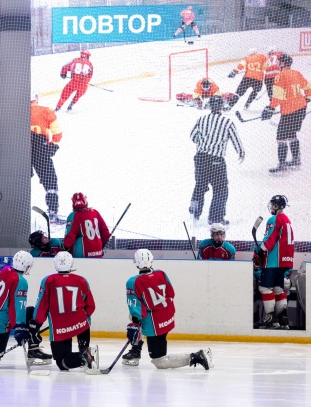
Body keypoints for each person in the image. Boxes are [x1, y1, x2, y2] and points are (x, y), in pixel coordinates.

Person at [122, 249, 212, 370]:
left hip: (154, 323)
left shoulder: (133, 281)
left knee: (159, 361)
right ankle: (136, 351)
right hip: (168, 315)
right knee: (155, 338)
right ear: (151, 260)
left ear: (136, 262)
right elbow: (171, 294)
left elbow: (135, 308)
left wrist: (135, 325)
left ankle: (197, 356)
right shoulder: (161, 273)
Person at [30, 252, 99, 374]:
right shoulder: (81, 280)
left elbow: (42, 304)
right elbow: (91, 306)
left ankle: (83, 357)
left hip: (59, 327)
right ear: (71, 263)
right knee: (84, 326)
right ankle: (85, 354)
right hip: (81, 324)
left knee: (62, 363)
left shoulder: (48, 280)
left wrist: (37, 322)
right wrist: (84, 317)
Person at [188, 96, 245, 225]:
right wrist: (241, 152)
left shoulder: (201, 120)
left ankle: (194, 211)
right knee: (220, 189)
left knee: (200, 186)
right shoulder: (227, 122)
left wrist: (203, 142)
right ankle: (215, 217)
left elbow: (193, 136)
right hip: (216, 161)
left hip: (200, 159)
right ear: (221, 107)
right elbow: (235, 139)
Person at [262, 53, 311, 173]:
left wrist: (270, 108)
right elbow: (309, 87)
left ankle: (282, 165)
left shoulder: (279, 76)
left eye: (279, 62)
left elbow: (278, 97)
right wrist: (307, 98)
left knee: (281, 137)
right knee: (291, 134)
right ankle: (296, 160)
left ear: (283, 63)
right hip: (301, 109)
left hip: (289, 111)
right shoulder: (296, 73)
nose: (277, 64)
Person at [254, 195, 295, 330]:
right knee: (278, 289)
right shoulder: (287, 220)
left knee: (265, 288)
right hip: (284, 262)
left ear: (277, 206)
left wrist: (261, 250)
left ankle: (270, 318)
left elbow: (271, 237)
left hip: (273, 261)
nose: (271, 207)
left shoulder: (274, 219)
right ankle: (282, 319)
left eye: (272, 204)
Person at [31, 91, 63, 222]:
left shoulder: (18, 112)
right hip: (41, 148)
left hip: (21, 149)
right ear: (36, 98)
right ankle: (53, 213)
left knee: (19, 181)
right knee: (50, 181)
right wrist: (53, 146)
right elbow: (57, 134)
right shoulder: (47, 111)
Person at [63, 192, 111, 258]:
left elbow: (70, 237)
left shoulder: (74, 216)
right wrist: (99, 248)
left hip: (82, 256)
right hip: (98, 254)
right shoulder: (95, 212)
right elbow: (106, 234)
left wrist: (63, 248)